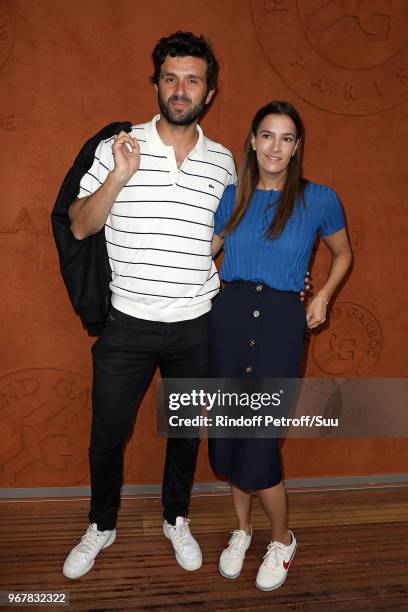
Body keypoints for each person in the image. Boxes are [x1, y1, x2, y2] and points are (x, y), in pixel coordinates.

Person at [62, 31, 237, 579]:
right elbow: (80, 224)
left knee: (185, 431)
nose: (180, 89)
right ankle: (101, 525)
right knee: (107, 432)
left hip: (195, 324)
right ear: (156, 84)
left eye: (193, 79)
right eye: (170, 78)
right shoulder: (120, 144)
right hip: (128, 323)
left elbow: (224, 234)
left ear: (208, 92)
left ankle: (175, 517)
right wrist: (118, 175)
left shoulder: (225, 162)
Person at [209, 100, 352, 591]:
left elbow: (343, 253)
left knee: (260, 439)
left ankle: (283, 539)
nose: (275, 146)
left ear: (296, 148)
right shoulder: (232, 198)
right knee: (228, 431)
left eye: (286, 138)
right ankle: (242, 530)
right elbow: (202, 256)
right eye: (266, 135)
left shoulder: (320, 199)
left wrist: (324, 298)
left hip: (281, 324)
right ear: (252, 141)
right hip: (228, 320)